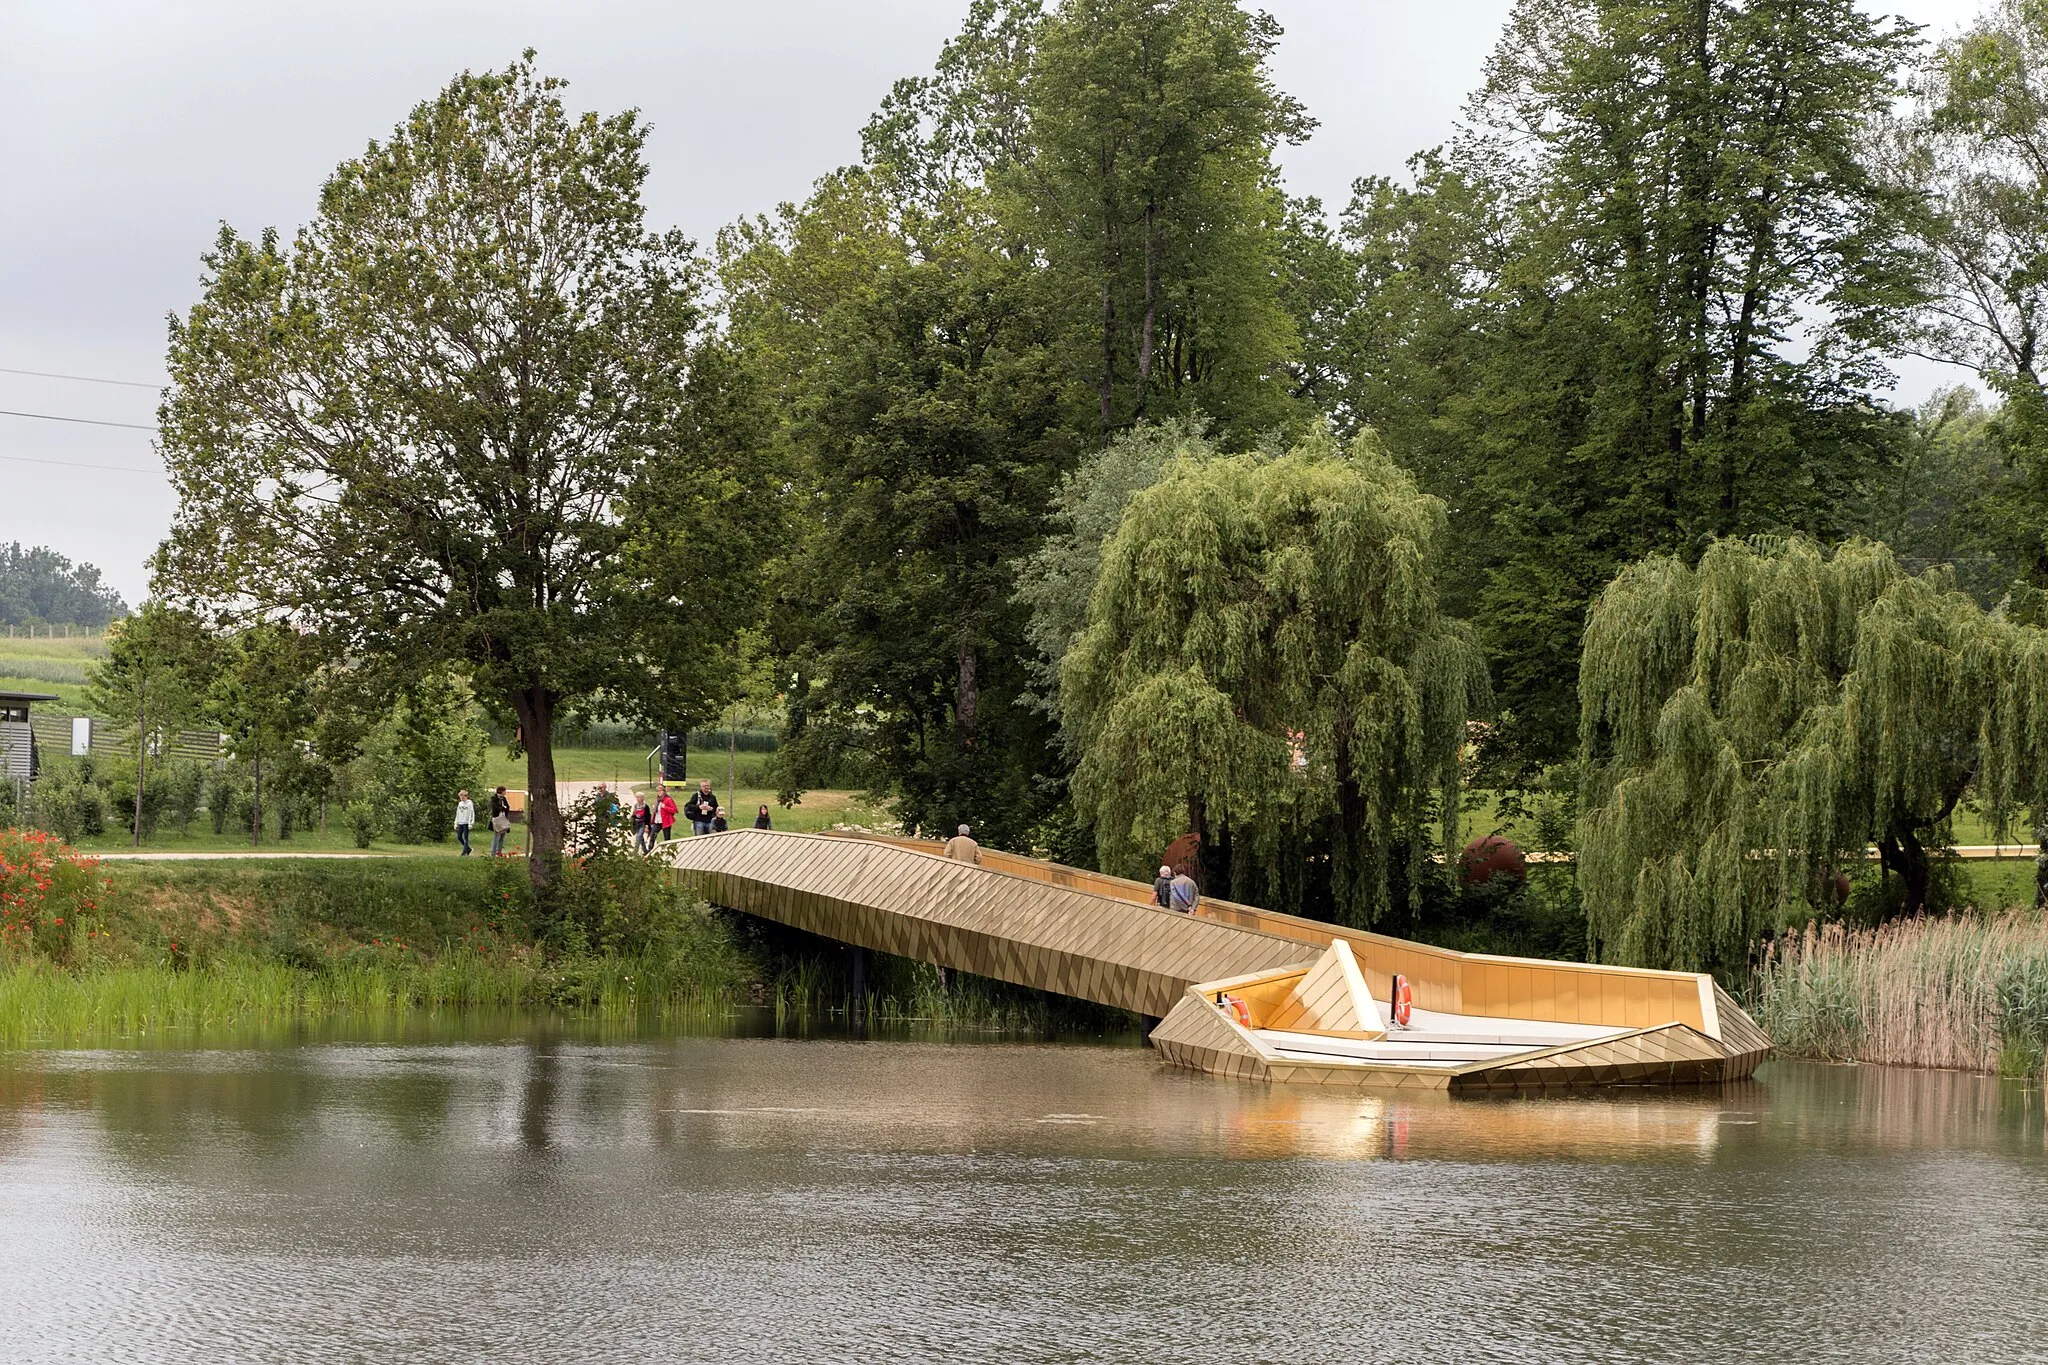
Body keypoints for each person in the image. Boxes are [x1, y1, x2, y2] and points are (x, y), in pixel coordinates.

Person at [488, 787, 512, 857]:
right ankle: (493, 852)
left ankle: (499, 851)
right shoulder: (494, 798)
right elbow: (495, 807)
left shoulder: (503, 799)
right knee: (496, 835)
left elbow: (507, 807)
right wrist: (502, 808)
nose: (505, 792)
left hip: (503, 818)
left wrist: (504, 808)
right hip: (497, 818)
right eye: (504, 791)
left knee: (502, 836)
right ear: (501, 791)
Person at [453, 789, 474, 856]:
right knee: (459, 837)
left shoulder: (469, 803)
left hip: (466, 823)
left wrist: (471, 823)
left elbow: (472, 813)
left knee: (465, 837)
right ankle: (468, 848)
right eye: (460, 797)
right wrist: (456, 823)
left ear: (466, 796)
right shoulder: (460, 804)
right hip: (460, 822)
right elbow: (458, 813)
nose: (462, 798)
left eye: (463, 797)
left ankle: (464, 852)